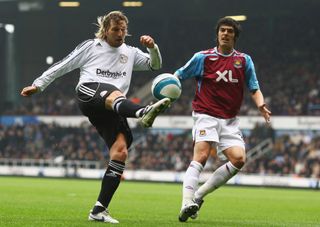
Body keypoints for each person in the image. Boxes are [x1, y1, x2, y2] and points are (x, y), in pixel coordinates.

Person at [20, 11, 171, 224]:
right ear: (105, 30)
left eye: (123, 30)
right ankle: (142, 112)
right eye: (115, 30)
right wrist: (39, 84)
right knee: (115, 93)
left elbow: (154, 65)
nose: (120, 34)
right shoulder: (92, 46)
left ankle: (99, 209)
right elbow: (64, 65)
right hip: (89, 93)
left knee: (120, 152)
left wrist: (152, 48)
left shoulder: (130, 52)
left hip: (112, 107)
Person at [174, 17, 271, 222]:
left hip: (229, 119)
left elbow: (254, 87)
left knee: (239, 159)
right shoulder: (203, 57)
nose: (225, 34)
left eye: (229, 31)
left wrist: (261, 105)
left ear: (235, 36)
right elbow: (179, 75)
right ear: (217, 34)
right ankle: (186, 201)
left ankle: (198, 196)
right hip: (205, 114)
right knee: (200, 156)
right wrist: (169, 89)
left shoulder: (244, 60)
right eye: (222, 30)